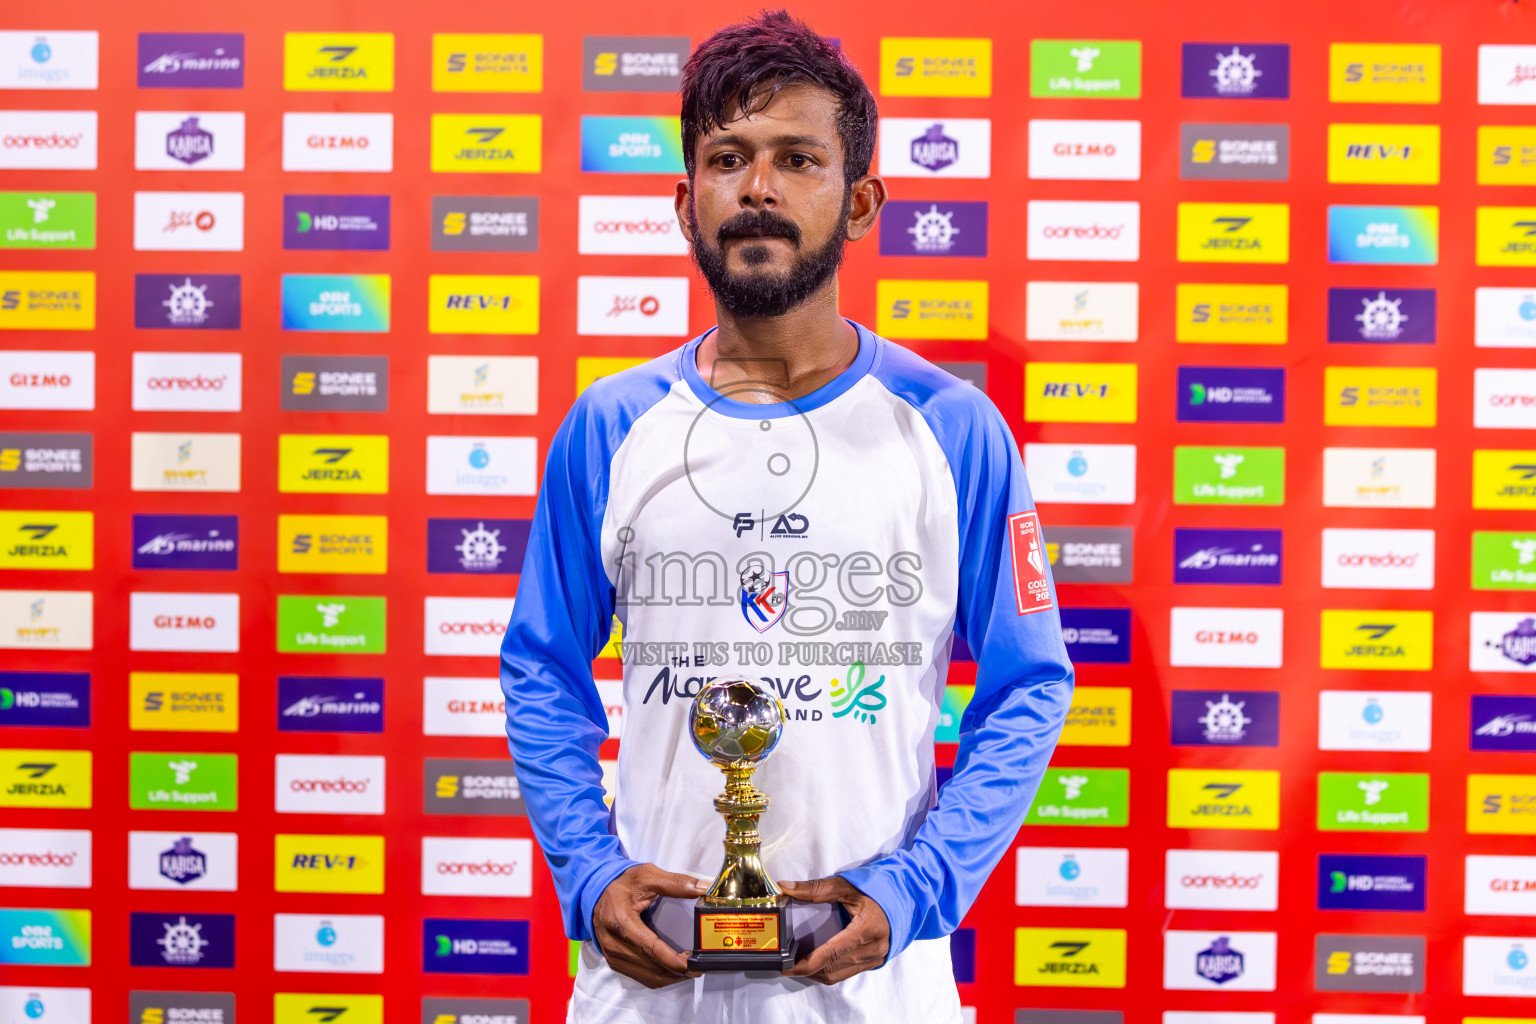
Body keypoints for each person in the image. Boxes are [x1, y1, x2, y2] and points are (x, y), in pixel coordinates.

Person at [500, 10, 1074, 1022]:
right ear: (686, 204)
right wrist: (589, 875)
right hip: (648, 992)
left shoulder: (952, 428)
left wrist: (913, 890)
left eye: (796, 159)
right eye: (729, 158)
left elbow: (1029, 688)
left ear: (858, 203)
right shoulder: (611, 426)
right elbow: (542, 669)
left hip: (878, 990)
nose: (758, 187)